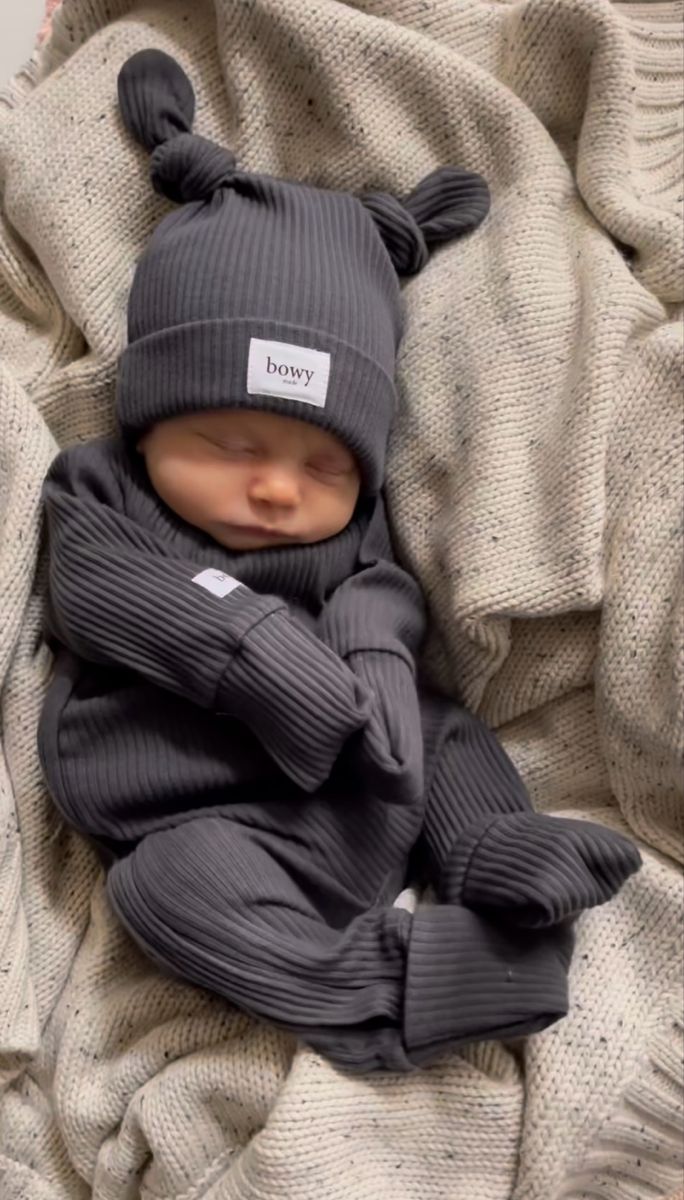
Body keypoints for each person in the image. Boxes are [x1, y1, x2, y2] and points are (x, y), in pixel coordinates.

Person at [38, 49, 640, 1072]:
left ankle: (488, 851)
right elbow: (104, 590)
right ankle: (419, 976)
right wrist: (259, 649)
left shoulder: (344, 537)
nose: (279, 489)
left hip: (369, 784)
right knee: (162, 893)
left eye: (326, 464)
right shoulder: (103, 493)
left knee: (446, 731)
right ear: (150, 419)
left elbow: (385, 601)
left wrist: (371, 671)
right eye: (235, 447)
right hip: (205, 813)